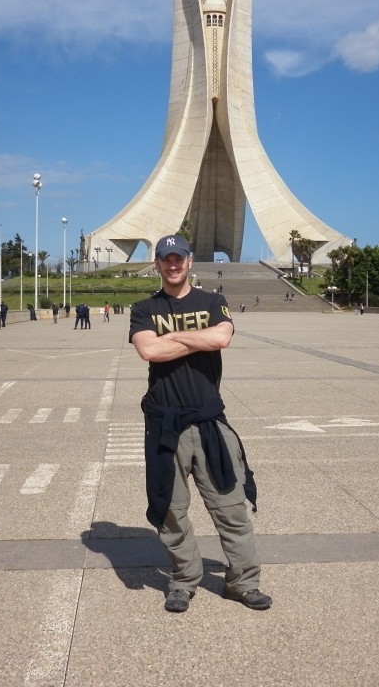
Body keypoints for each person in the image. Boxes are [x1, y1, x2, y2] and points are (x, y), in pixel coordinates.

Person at [129, 234, 271, 614]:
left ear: (190, 261)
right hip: (165, 427)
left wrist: (173, 336)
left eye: (178, 258)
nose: (172, 265)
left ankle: (242, 582)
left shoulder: (213, 301)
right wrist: (197, 339)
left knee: (230, 508)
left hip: (209, 423)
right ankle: (183, 580)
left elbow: (222, 338)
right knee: (171, 510)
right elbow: (149, 349)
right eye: (165, 259)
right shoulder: (143, 307)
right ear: (157, 264)